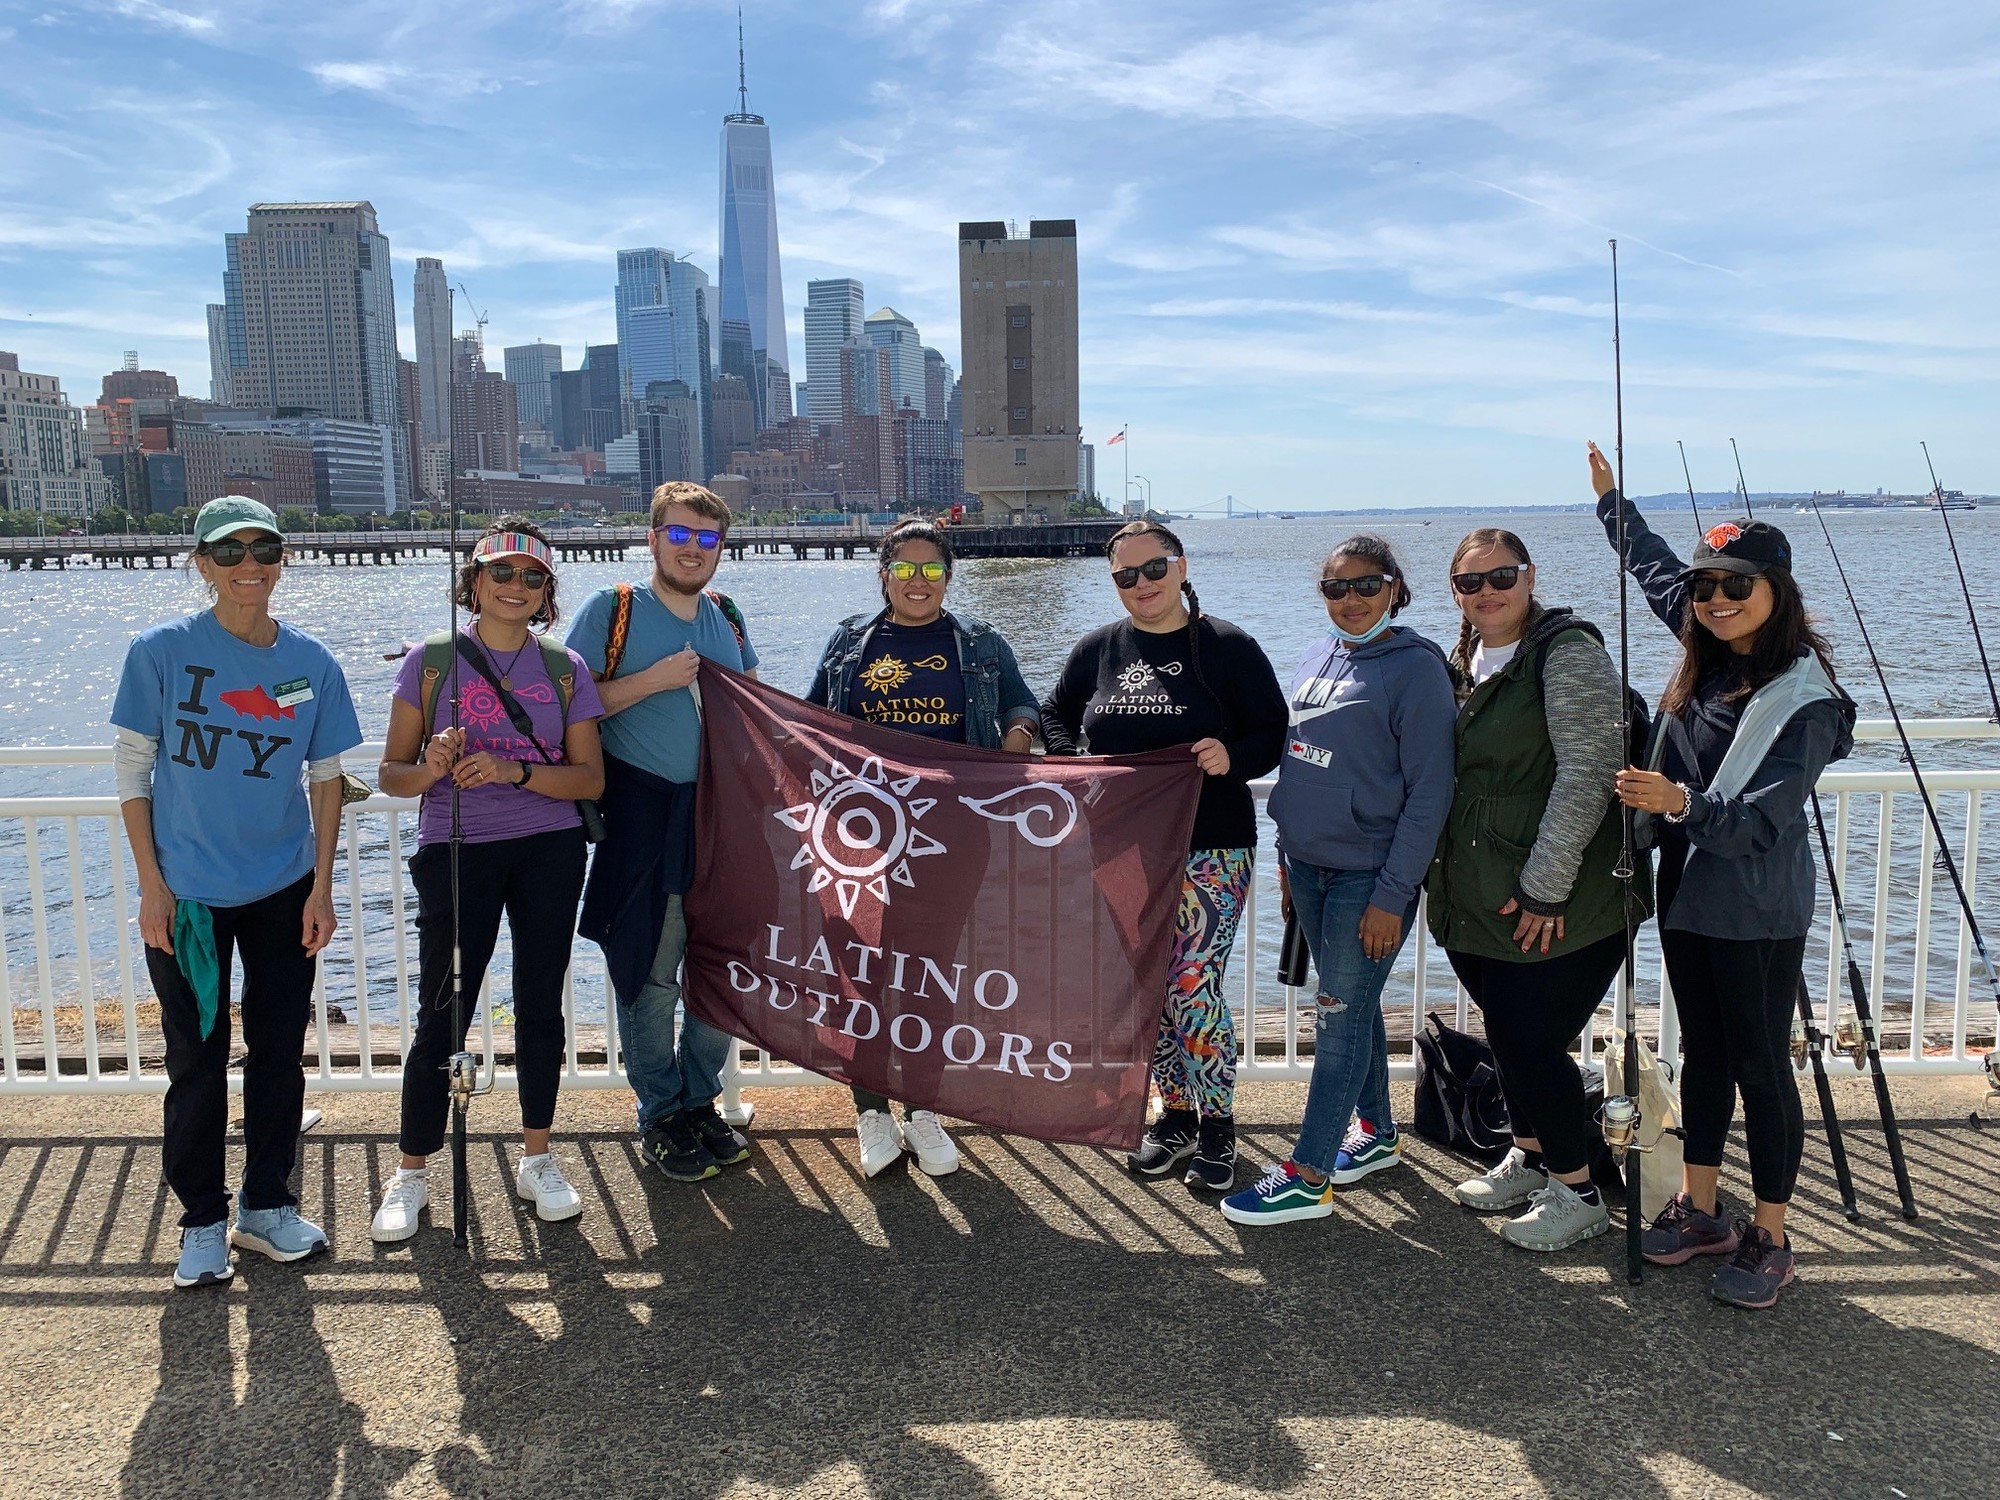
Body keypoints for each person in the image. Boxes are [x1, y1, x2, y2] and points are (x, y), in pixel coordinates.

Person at [1592, 441, 1854, 1309]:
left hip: (1756, 908)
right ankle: (1700, 1207)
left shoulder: (1805, 700)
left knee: (1759, 1067)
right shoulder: (1705, 650)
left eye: (1736, 585)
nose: (1714, 600)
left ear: (1777, 591)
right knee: (1702, 1057)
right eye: (1710, 588)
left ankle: (1771, 1233)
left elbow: (1759, 824)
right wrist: (1612, 505)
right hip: (1689, 902)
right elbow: (1658, 575)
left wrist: (1676, 801)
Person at [110, 496, 362, 1289]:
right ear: (202, 564)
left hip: (284, 887)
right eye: (230, 553)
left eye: (266, 548)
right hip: (187, 897)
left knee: (280, 1053)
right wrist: (152, 887)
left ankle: (266, 1205)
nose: (249, 565)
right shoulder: (160, 652)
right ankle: (202, 1220)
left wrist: (321, 887)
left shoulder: (311, 664)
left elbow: (327, 778)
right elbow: (132, 770)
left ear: (283, 559)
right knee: (196, 1060)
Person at [370, 521, 606, 1242]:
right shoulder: (430, 661)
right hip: (457, 850)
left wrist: (514, 771)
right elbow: (392, 775)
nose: (515, 587)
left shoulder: (566, 668)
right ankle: (410, 1172)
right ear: (473, 583)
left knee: (539, 1007)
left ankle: (539, 1157)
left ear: (546, 594)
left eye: (532, 578)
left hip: (550, 850)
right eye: (500, 573)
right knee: (444, 1010)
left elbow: (589, 777)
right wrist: (434, 765)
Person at [1041, 521, 1287, 1191]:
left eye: (1154, 570)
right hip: (1122, 848)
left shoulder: (1228, 646)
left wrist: (1233, 755)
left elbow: (1274, 730)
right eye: (1126, 576)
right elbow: (1053, 714)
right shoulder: (1097, 650)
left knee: (1190, 983)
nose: (1142, 585)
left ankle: (1217, 1126)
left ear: (1180, 567)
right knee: (1151, 986)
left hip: (1211, 845)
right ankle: (1173, 1116)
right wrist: (1073, 762)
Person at [1422, 528, 1650, 1251]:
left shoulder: (1569, 654)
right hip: (1477, 893)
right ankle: (1528, 1152)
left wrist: (1546, 888)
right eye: (1470, 582)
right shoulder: (1469, 656)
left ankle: (1577, 1192)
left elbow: (1589, 773)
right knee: (1507, 1032)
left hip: (1562, 898)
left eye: (1502, 577)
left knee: (1528, 1038)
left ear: (1530, 576)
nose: (1486, 593)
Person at [1219, 536, 1456, 1226]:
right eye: (1335, 587)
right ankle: (1377, 1134)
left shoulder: (1415, 669)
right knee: (1348, 1008)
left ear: (1394, 588)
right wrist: (1290, 862)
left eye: (1365, 585)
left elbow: (1430, 794)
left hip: (1367, 877)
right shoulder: (1321, 652)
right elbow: (1302, 762)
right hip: (1312, 870)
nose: (1350, 600)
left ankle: (1308, 1173)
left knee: (1338, 1022)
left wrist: (1391, 895)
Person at [804, 519, 1039, 1179]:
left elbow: (1024, 706)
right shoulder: (851, 642)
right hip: (859, 836)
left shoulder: (981, 644)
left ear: (948, 576)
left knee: (930, 975)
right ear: (883, 575)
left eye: (931, 569)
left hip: (952, 834)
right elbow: (809, 720)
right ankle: (871, 1110)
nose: (917, 581)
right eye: (903, 568)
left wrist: (1018, 734)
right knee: (864, 972)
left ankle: (922, 1107)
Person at [569, 482, 758, 1183]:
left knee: (725, 973)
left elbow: (763, 715)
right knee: (651, 974)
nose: (692, 549)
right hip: (644, 818)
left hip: (721, 820)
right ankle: (660, 1111)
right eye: (679, 535)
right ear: (653, 538)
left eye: (707, 539)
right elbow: (570, 705)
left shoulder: (728, 616)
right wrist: (652, 680)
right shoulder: (612, 609)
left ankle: (697, 1098)